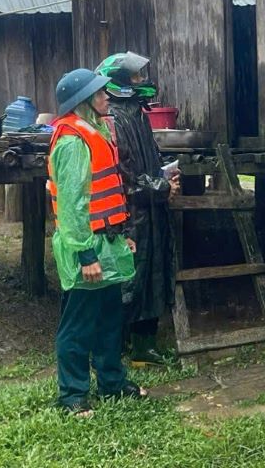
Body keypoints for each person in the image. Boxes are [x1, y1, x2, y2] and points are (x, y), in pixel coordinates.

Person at [48, 68, 147, 416]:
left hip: (108, 241)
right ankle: (72, 395)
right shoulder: (73, 142)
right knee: (78, 322)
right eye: (100, 92)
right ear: (84, 101)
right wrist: (86, 254)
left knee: (109, 319)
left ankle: (111, 383)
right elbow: (74, 207)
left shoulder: (98, 132)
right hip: (86, 247)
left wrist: (121, 237)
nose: (107, 96)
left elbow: (108, 195)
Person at [95, 52, 179, 366]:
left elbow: (151, 161)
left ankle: (145, 347)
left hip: (152, 209)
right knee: (127, 281)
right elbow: (124, 176)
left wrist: (167, 177)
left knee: (155, 277)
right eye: (135, 77)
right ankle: (113, 351)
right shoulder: (114, 118)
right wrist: (160, 187)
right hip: (129, 213)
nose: (142, 82)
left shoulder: (137, 112)